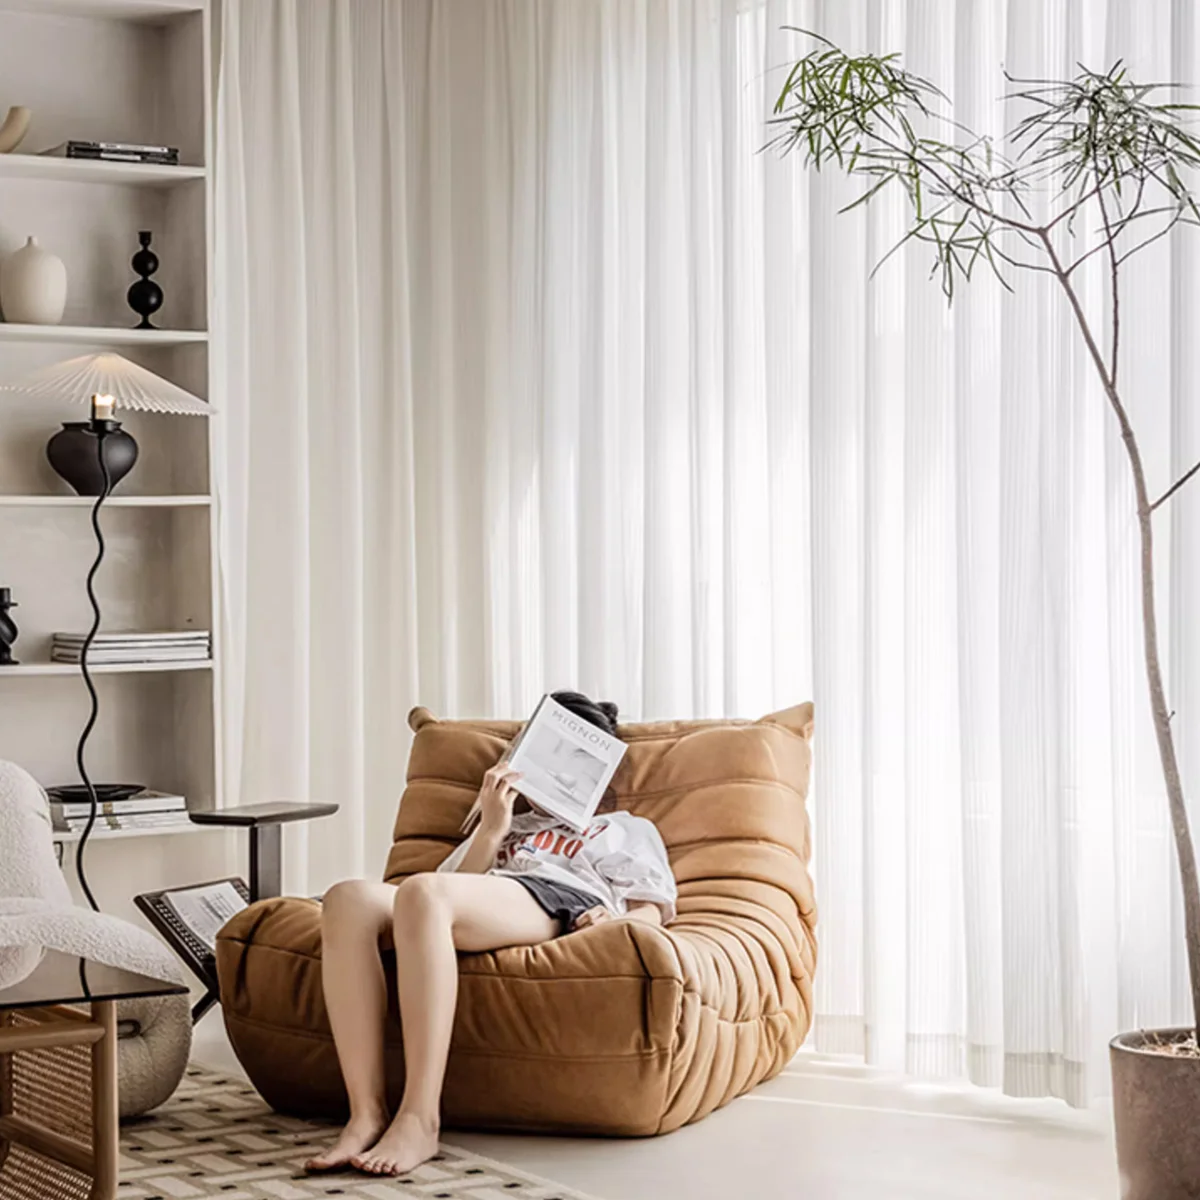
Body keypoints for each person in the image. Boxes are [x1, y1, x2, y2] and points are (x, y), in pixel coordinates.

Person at [306, 691, 677, 1178]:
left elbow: (653, 909)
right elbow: (447, 887)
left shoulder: (619, 827)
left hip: (559, 898)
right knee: (348, 899)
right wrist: (490, 829)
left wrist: (615, 924)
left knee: (422, 894)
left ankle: (419, 1118)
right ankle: (365, 1112)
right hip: (483, 893)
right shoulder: (505, 824)